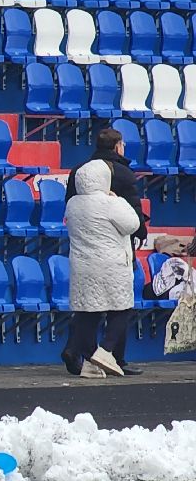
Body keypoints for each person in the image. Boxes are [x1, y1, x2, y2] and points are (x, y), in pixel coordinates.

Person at [61, 159, 142, 379]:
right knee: (121, 308)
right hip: (111, 266)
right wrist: (119, 200)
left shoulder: (73, 204)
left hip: (83, 266)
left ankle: (89, 362)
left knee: (88, 313)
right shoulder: (110, 203)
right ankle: (105, 351)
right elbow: (132, 224)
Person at [90, 126, 147, 246]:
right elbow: (133, 205)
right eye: (123, 145)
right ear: (117, 147)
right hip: (118, 238)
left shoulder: (80, 170)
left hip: (89, 234)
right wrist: (141, 232)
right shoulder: (124, 173)